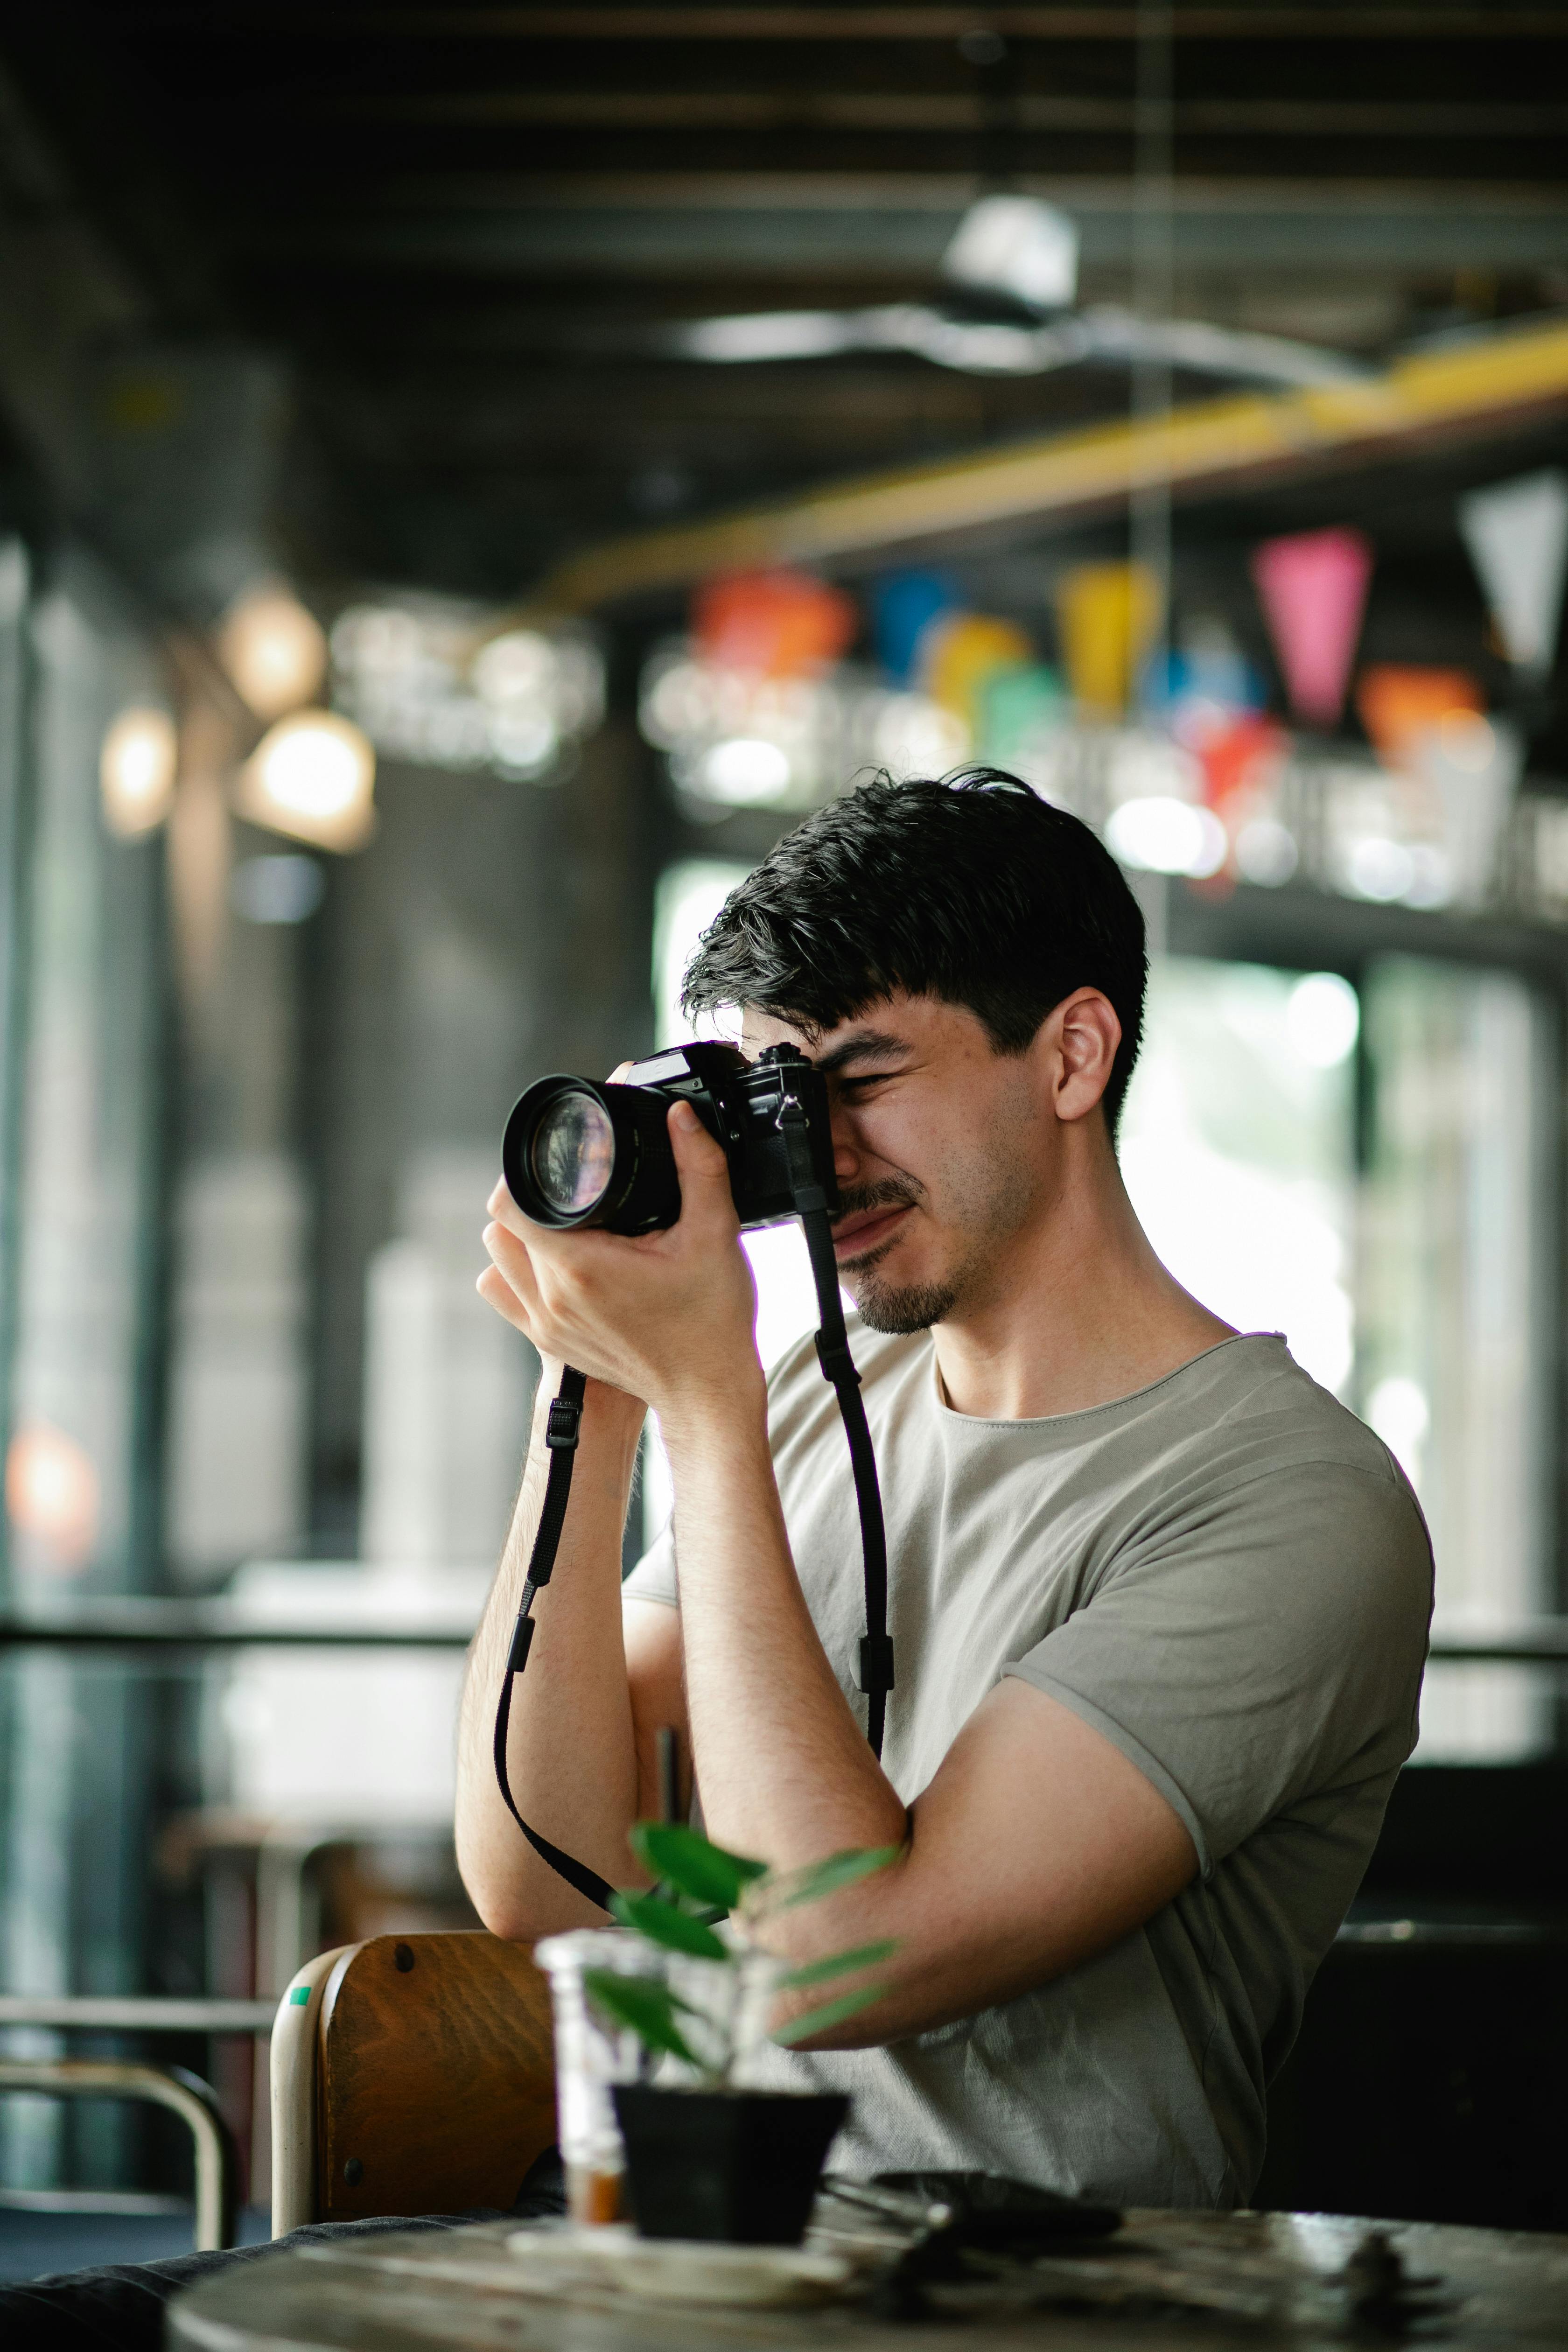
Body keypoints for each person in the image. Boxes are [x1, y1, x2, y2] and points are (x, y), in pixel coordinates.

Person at [456, 769, 1433, 2210]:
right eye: (782, 1101)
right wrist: (591, 1389)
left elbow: (842, 1962)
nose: (817, 1158)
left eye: (861, 1082)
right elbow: (548, 1880)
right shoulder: (793, 1399)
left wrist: (709, 1415)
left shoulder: (1289, 1500)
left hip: (1035, 2295)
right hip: (713, 2249)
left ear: (1073, 1057)